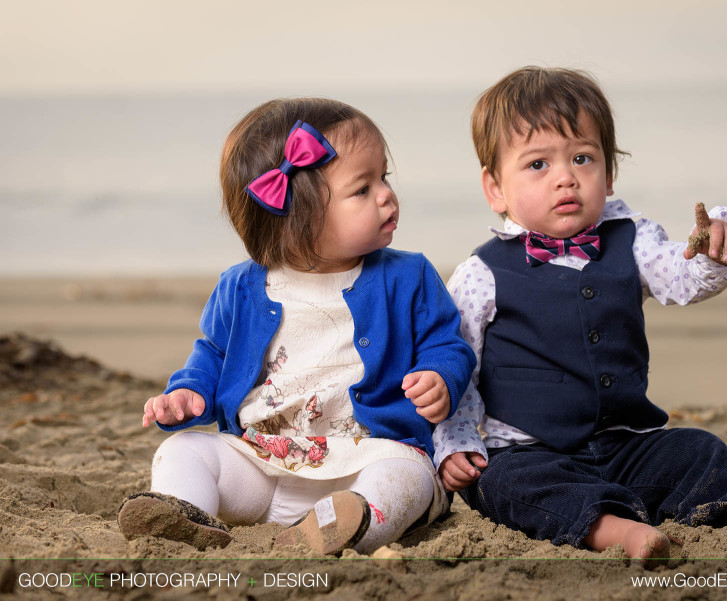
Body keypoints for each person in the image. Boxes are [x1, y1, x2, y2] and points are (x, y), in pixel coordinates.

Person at [433, 67, 727, 566]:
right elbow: (458, 363)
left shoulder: (633, 239)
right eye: (537, 164)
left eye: (582, 157)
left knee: (697, 449)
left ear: (608, 171)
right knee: (504, 486)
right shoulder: (479, 272)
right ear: (496, 188)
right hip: (530, 449)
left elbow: (684, 279)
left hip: (626, 445)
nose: (565, 176)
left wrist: (713, 249)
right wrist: (456, 438)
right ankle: (619, 531)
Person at [117, 97, 476, 555]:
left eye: (383, 177)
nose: (386, 195)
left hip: (367, 455)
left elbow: (448, 343)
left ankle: (339, 525)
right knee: (184, 451)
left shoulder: (408, 277)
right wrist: (190, 391)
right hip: (263, 459)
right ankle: (185, 518)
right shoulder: (241, 286)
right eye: (361, 189)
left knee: (406, 480)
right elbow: (213, 353)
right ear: (298, 218)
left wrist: (441, 376)